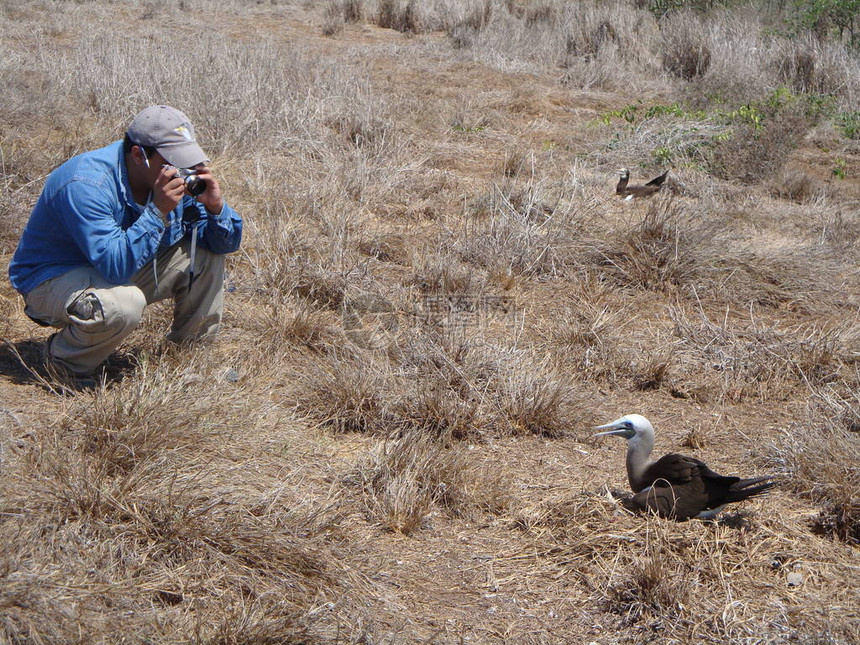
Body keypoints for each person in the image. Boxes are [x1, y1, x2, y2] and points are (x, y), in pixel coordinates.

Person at [8, 105, 243, 381]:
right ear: (138, 155)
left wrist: (216, 208)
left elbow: (223, 245)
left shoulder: (170, 178)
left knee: (206, 255)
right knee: (123, 304)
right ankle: (62, 365)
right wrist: (157, 211)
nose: (183, 170)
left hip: (111, 268)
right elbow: (114, 267)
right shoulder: (86, 183)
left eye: (187, 160)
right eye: (174, 160)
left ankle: (189, 358)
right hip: (52, 279)